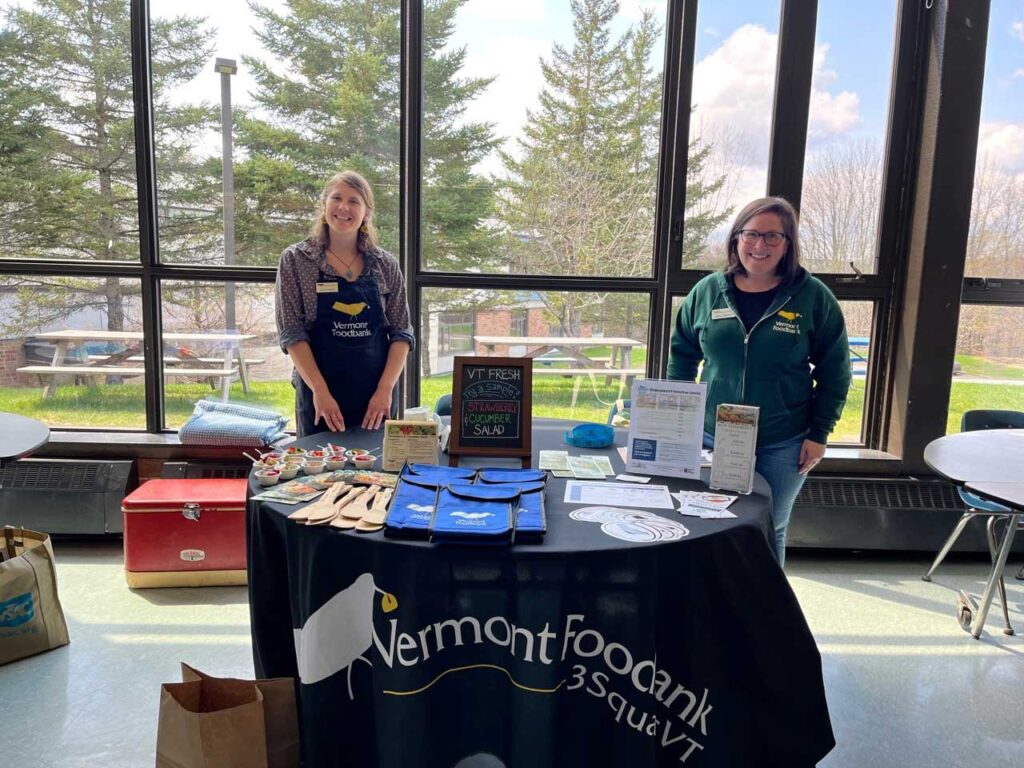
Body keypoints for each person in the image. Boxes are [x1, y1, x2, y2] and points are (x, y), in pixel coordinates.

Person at [667, 196, 850, 566]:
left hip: (783, 440)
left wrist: (819, 434)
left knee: (769, 527)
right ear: (736, 238)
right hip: (711, 435)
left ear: (788, 243)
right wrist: (678, 425)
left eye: (772, 237)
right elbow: (682, 357)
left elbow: (835, 371)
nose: (759, 245)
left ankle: (766, 618)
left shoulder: (813, 297)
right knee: (704, 521)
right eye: (751, 234)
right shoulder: (707, 292)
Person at [275, 170, 414, 436]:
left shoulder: (385, 264)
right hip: (320, 396)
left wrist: (385, 391)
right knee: (319, 475)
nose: (344, 207)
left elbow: (402, 333)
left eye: (354, 201)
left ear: (366, 212)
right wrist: (320, 391)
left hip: (376, 398)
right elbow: (292, 332)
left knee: (375, 475)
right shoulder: (296, 260)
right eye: (336, 198)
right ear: (324, 205)